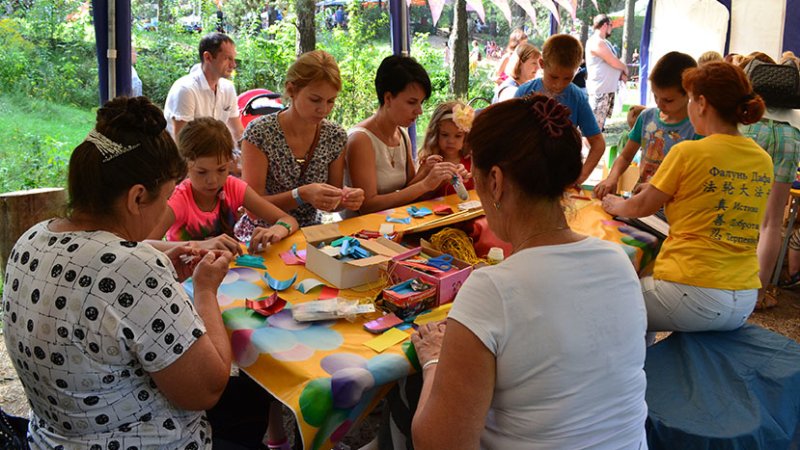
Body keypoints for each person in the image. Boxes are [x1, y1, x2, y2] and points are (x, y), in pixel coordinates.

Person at [410, 95, 648, 448]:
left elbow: (438, 443)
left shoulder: (491, 290)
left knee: (407, 398)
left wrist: (434, 361)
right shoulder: (618, 261)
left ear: (495, 181)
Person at [2, 96, 235, 448]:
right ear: (137, 197)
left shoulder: (32, 238)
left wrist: (162, 255)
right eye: (166, 198)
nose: (164, 212)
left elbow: (96, 272)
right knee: (250, 404)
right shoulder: (133, 270)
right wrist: (205, 291)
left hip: (48, 439)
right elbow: (207, 389)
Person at [602, 61, 771, 338]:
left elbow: (641, 207)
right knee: (642, 302)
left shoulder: (688, 152)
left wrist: (614, 204)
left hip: (693, 291)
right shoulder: (762, 159)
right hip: (743, 298)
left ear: (701, 103)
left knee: (609, 300)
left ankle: (632, 377)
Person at [236, 50, 364, 235]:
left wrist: (346, 199)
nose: (323, 109)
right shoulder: (260, 133)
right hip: (262, 235)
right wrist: (301, 195)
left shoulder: (334, 136)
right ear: (291, 90)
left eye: (331, 101)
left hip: (309, 236)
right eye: (315, 100)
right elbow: (252, 208)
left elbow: (331, 202)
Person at [147, 117, 299, 254]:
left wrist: (277, 230)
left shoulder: (233, 187)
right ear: (185, 166)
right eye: (201, 172)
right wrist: (199, 245)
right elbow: (143, 245)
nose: (212, 180)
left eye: (221, 170)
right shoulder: (179, 200)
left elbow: (288, 220)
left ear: (231, 162)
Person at [344, 55, 464, 215]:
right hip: (364, 234)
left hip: (396, 225)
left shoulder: (401, 134)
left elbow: (407, 193)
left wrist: (430, 173)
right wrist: (425, 184)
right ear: (388, 98)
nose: (419, 111)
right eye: (412, 102)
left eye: (421, 103)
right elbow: (367, 205)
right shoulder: (360, 140)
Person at [739, 55, 800, 308]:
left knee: (740, 210)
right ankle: (758, 295)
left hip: (754, 128)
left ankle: (733, 287)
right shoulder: (790, 84)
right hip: (789, 134)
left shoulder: (755, 76)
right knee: (772, 223)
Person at [594, 52, 698, 199]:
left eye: (668, 100)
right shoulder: (646, 118)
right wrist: (612, 178)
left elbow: (695, 177)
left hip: (674, 209)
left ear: (689, 93)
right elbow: (625, 156)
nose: (659, 104)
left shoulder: (697, 128)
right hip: (640, 200)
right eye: (655, 96)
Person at [515, 34, 606, 185]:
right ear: (542, 64)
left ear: (576, 71)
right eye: (554, 77)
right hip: (527, 173)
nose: (559, 85)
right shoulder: (523, 93)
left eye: (567, 78)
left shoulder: (577, 98)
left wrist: (581, 176)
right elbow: (511, 136)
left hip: (561, 176)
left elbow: (598, 143)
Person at [163, 32, 244, 146]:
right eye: (227, 58)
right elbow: (182, 144)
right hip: (184, 159)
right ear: (208, 57)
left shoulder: (228, 88)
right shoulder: (185, 89)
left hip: (212, 157)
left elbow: (238, 132)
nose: (234, 64)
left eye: (234, 58)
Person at [417, 101, 475, 198]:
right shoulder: (430, 163)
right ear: (436, 135)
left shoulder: (472, 161)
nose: (451, 141)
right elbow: (416, 197)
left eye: (458, 136)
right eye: (445, 135)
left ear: (466, 137)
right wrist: (427, 173)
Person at [585, 14, 629, 131]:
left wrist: (620, 74)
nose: (611, 28)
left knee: (599, 127)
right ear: (604, 25)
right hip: (600, 91)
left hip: (606, 90)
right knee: (593, 128)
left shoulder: (603, 42)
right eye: (611, 25)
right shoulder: (596, 42)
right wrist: (624, 68)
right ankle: (586, 149)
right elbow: (613, 61)